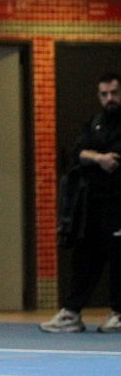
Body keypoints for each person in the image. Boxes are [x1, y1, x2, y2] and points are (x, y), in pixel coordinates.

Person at [40, 72, 121, 334]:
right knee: (84, 256)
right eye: (104, 94)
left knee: (119, 257)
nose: (110, 98)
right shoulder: (94, 123)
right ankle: (72, 312)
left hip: (119, 204)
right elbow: (78, 152)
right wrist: (99, 159)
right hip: (92, 205)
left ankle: (119, 312)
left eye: (114, 93)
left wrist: (99, 157)